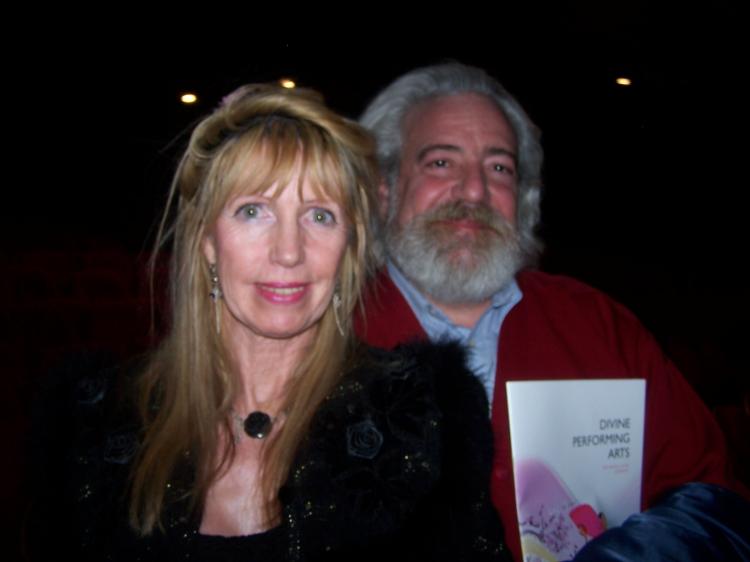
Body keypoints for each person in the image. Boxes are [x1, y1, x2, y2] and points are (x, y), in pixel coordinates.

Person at [26, 83, 509, 561]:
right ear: (208, 241)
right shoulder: (90, 422)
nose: (289, 252)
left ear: (348, 248)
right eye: (253, 211)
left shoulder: (426, 419)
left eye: (319, 216)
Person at [355, 62, 750, 561]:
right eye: (441, 163)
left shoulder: (599, 325)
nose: (474, 191)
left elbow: (718, 498)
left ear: (522, 199)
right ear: (385, 187)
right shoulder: (323, 333)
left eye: (499, 168)